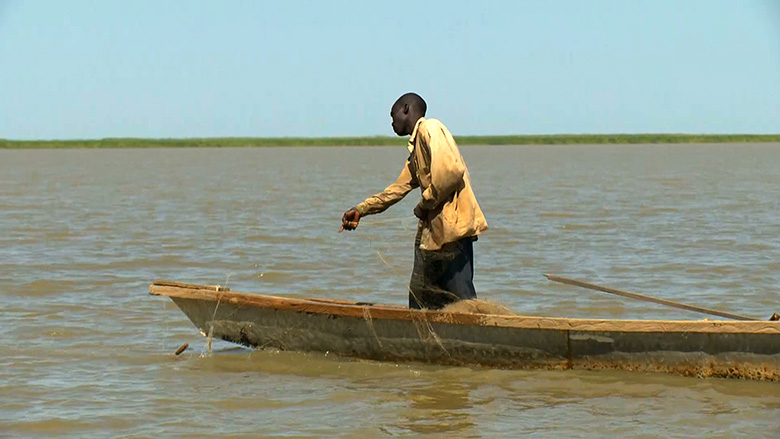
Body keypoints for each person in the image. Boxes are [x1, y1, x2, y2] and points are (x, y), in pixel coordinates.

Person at [340, 92, 487, 309]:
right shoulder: (416, 149)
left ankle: (480, 337)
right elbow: (396, 190)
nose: (392, 122)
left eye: (393, 115)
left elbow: (450, 172)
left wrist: (424, 204)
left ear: (406, 109)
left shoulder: (430, 128)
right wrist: (361, 209)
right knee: (421, 299)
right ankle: (423, 338)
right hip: (434, 237)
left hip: (453, 233)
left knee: (462, 300)